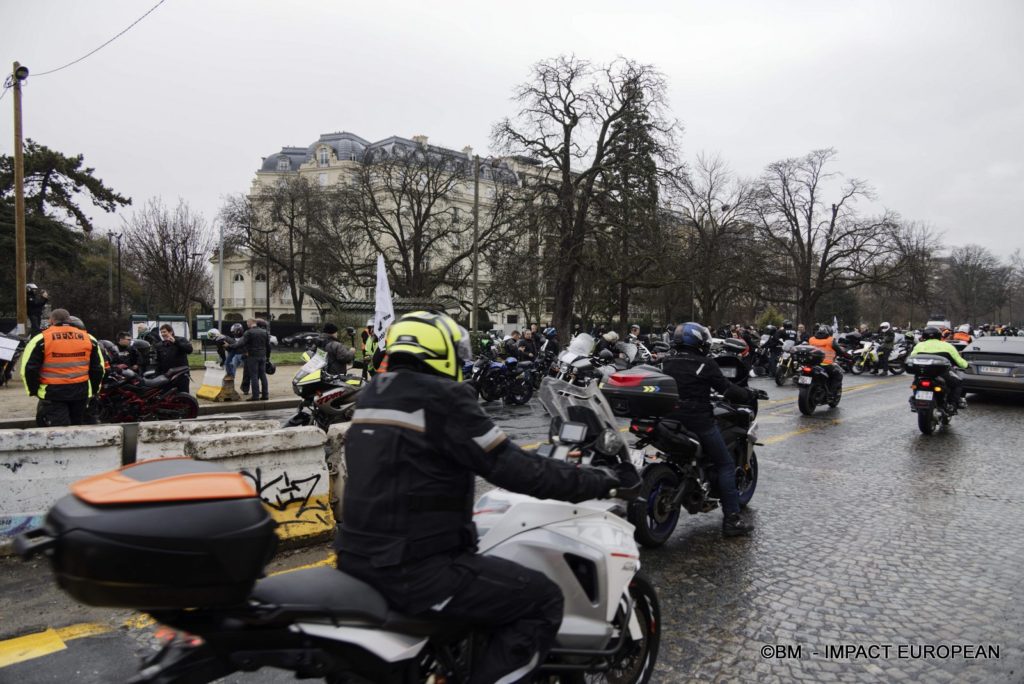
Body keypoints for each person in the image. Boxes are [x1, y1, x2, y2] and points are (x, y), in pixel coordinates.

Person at [335, 310, 635, 684]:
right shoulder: (443, 398)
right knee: (541, 600)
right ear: (438, 351)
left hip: (354, 559)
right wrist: (596, 480)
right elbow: (511, 466)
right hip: (417, 571)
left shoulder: (372, 394)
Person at [661, 322, 756, 537]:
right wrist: (748, 394)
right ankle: (732, 519)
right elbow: (727, 389)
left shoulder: (667, 362)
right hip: (698, 421)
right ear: (698, 341)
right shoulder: (705, 364)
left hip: (668, 419)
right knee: (725, 464)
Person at [21, 308, 104, 427]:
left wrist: (34, 390)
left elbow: (29, 369)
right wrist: (94, 390)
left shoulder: (41, 339)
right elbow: (98, 369)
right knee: (77, 426)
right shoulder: (89, 339)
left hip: (53, 393)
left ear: (51, 321)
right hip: (80, 391)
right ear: (70, 320)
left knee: (60, 429)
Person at [910, 326, 968, 409]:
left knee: (915, 384)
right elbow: (959, 361)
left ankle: (915, 400)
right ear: (939, 335)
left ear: (924, 336)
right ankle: (952, 404)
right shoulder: (947, 346)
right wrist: (966, 365)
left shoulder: (919, 346)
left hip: (922, 374)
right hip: (942, 374)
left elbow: (912, 358)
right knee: (958, 383)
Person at [231, 318, 270, 401]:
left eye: (247, 323)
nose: (247, 325)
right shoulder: (264, 332)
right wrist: (268, 357)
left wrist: (230, 346)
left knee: (254, 376)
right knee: (263, 375)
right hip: (262, 356)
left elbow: (240, 343)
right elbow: (268, 346)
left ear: (250, 323)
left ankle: (255, 396)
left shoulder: (249, 332)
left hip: (252, 356)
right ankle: (265, 395)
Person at [154, 324, 193, 393]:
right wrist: (157, 375)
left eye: (164, 332)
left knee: (183, 395)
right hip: (167, 376)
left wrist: (175, 342)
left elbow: (189, 350)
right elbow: (158, 362)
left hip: (181, 375)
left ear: (171, 332)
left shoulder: (181, 339)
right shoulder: (159, 345)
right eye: (161, 332)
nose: (162, 334)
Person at [807, 325, 846, 393]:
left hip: (811, 364)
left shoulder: (811, 339)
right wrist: (847, 355)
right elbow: (840, 351)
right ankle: (832, 393)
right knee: (838, 374)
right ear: (829, 333)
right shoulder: (830, 340)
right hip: (826, 364)